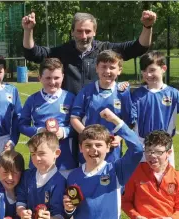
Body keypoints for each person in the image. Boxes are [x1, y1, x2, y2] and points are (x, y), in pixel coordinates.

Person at [22, 10, 157, 94]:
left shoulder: (106, 49)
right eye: (79, 31)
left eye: (88, 31)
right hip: (70, 116)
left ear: (95, 31)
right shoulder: (63, 51)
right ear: (72, 32)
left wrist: (147, 26)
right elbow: (32, 53)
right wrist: (28, 30)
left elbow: (139, 47)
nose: (84, 36)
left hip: (101, 113)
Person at [131, 51, 179, 167]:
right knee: (141, 184)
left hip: (165, 147)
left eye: (152, 70)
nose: (148, 74)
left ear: (163, 68)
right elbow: (129, 121)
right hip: (142, 148)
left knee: (166, 184)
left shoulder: (173, 94)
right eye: (144, 71)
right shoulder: (136, 95)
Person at [70, 50, 134, 163]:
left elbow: (129, 121)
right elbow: (74, 118)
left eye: (112, 67)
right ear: (96, 69)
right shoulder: (86, 92)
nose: (107, 71)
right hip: (89, 149)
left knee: (109, 179)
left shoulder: (123, 92)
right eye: (103, 67)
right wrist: (88, 136)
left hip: (112, 151)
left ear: (119, 70)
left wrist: (119, 138)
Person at [19, 57, 78, 176]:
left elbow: (79, 124)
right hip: (39, 160)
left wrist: (64, 132)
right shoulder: (32, 100)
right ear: (40, 78)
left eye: (56, 78)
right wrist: (38, 131)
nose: (52, 82)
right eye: (48, 78)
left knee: (66, 193)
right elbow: (21, 125)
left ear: (63, 76)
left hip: (65, 160)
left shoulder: (71, 98)